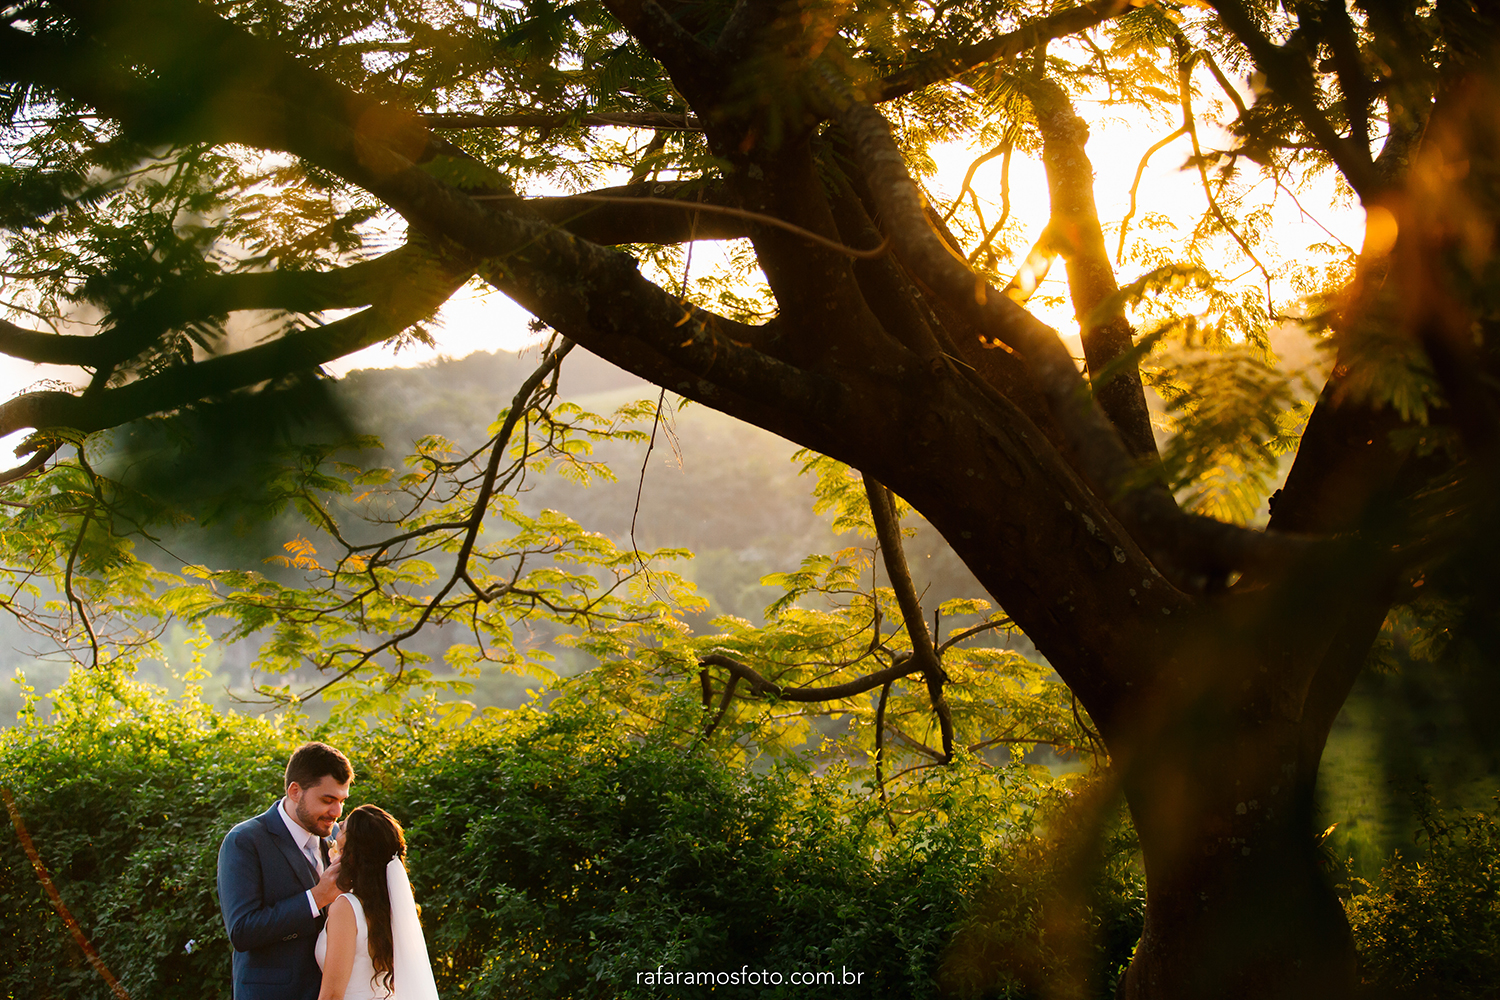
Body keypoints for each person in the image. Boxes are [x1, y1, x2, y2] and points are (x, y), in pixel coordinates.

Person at [217, 742, 353, 1000]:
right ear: (295, 791)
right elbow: (242, 931)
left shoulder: (338, 836)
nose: (336, 813)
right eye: (327, 800)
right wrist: (316, 897)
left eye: (342, 801)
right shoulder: (244, 841)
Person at [315, 804, 438, 1000]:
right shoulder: (391, 907)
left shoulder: (346, 908)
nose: (338, 824)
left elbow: (331, 995)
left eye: (344, 827)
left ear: (352, 852)